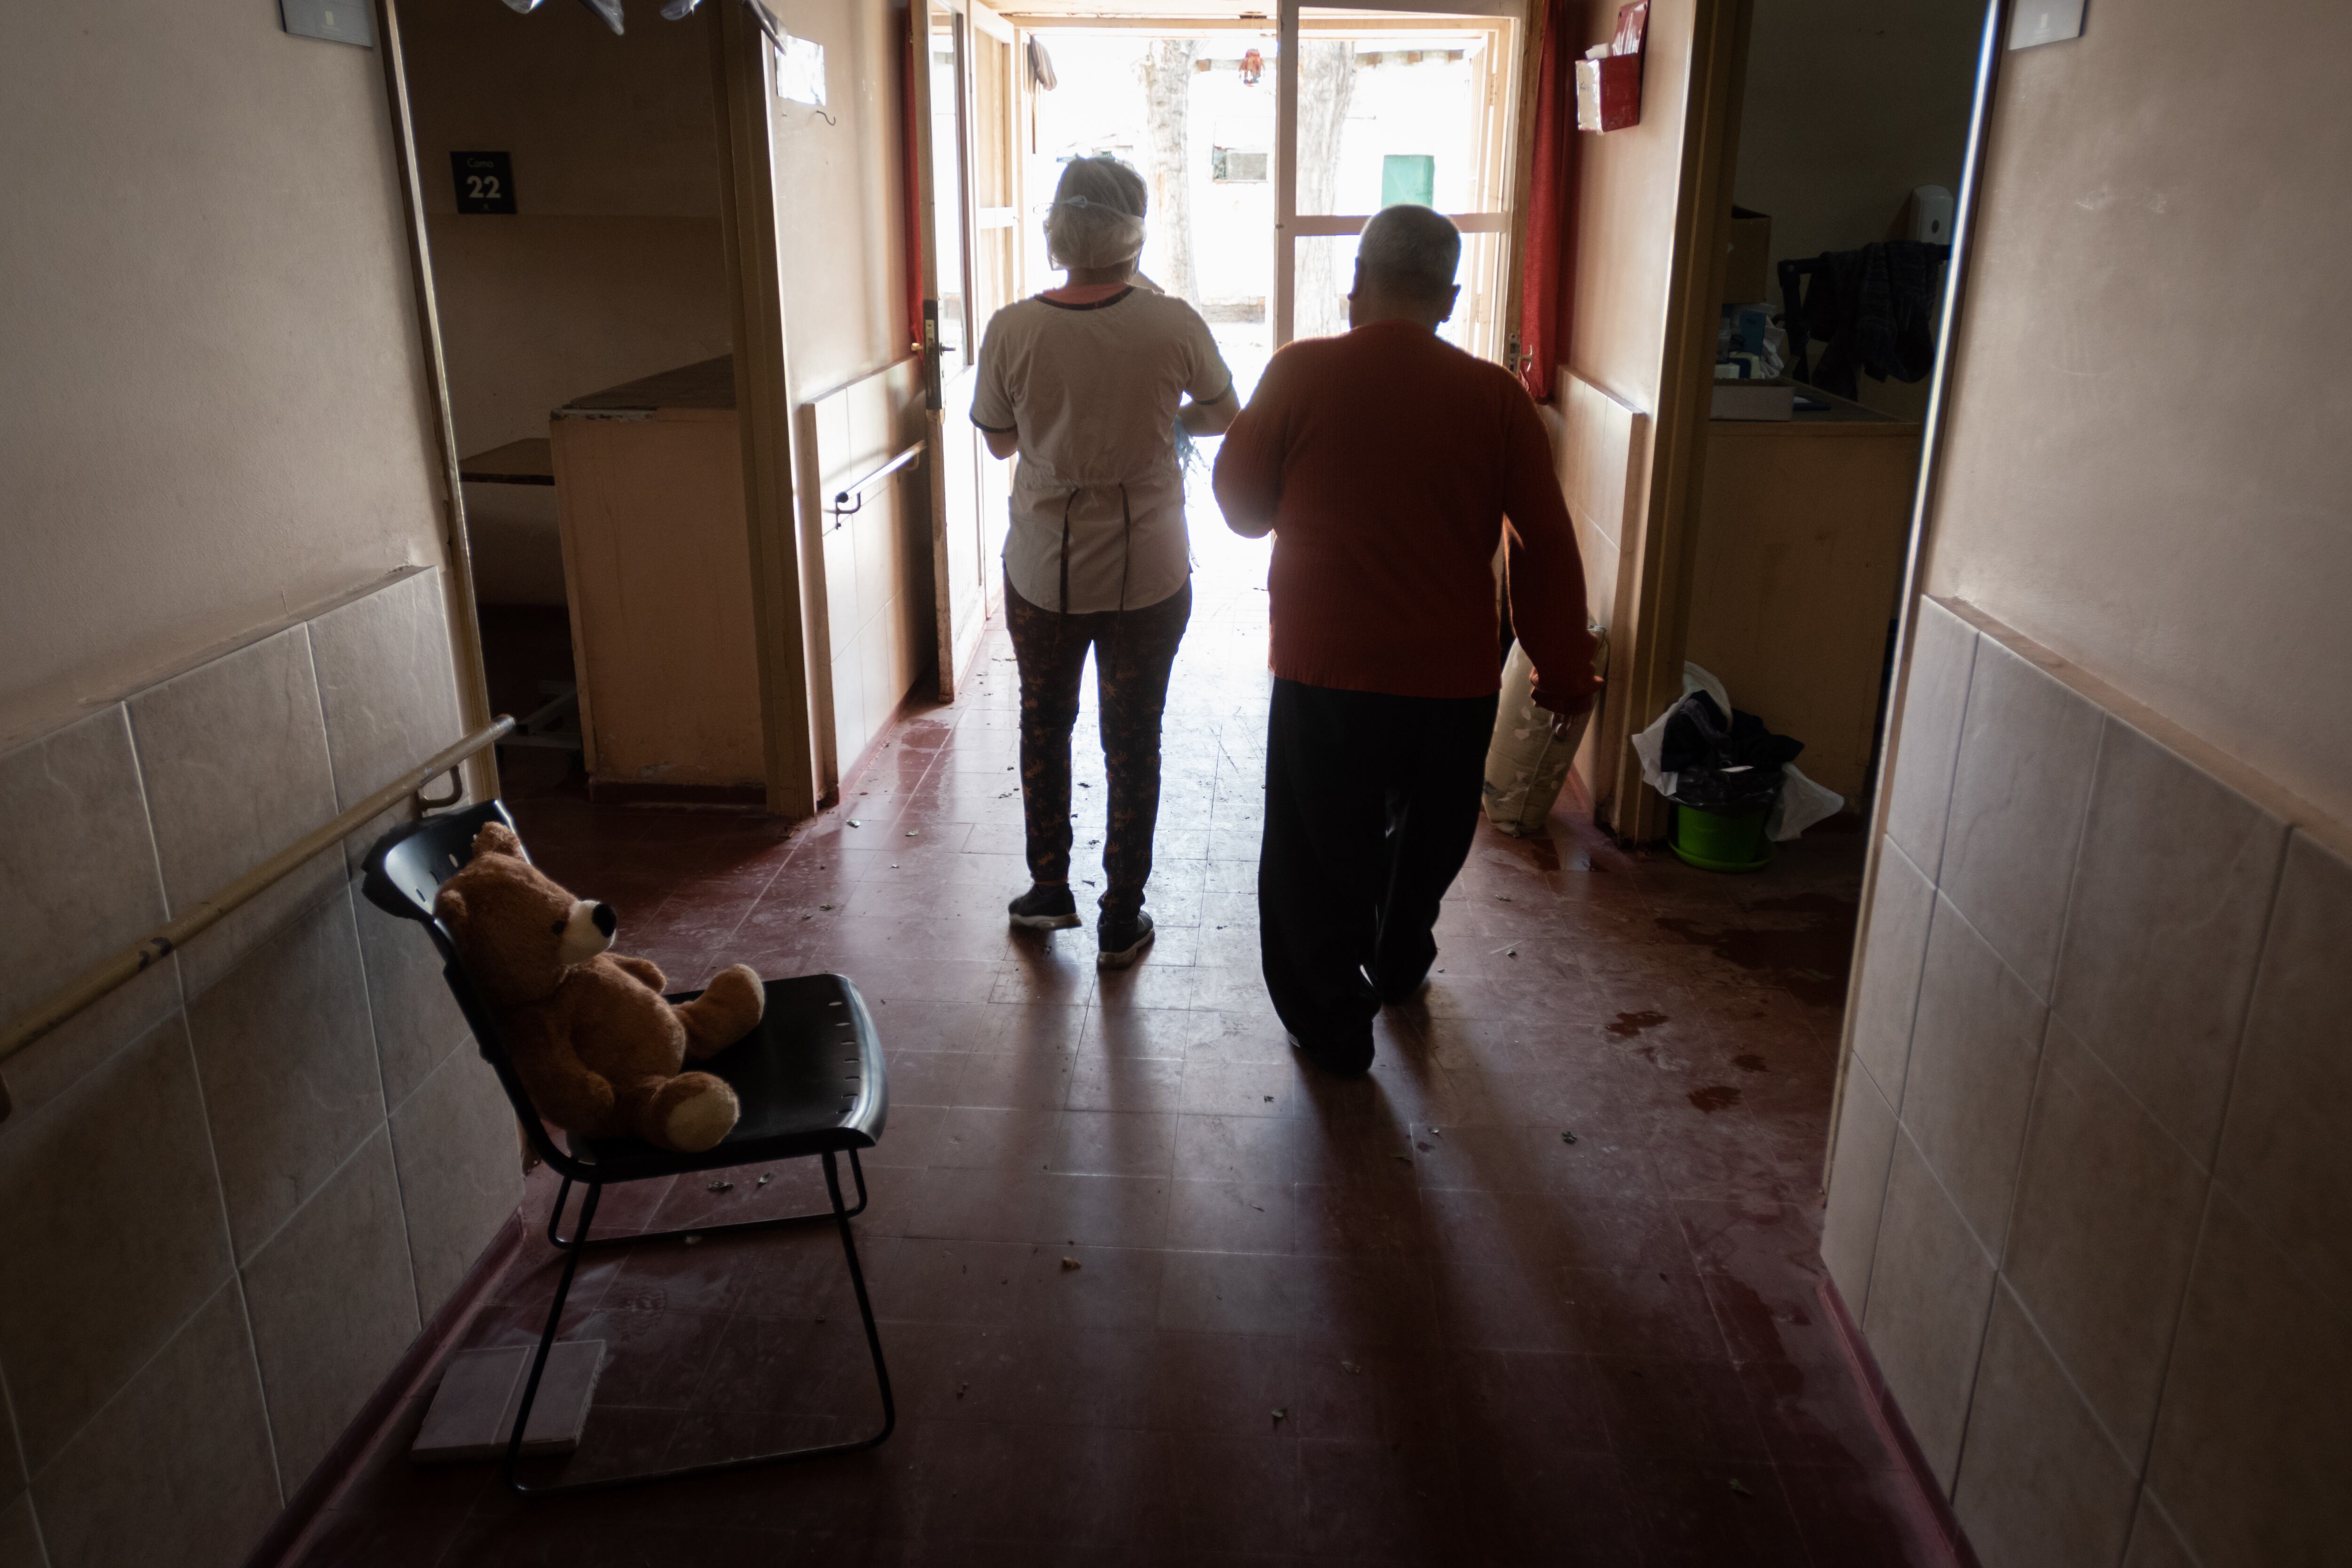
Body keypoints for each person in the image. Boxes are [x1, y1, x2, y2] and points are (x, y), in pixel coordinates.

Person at [1211, 205, 1599, 1074]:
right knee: (1426, 843)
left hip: (1326, 666)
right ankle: (1397, 958)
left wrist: (1300, 507)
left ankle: (1334, 1027)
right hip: (1449, 679)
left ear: (1356, 286)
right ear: (1451, 298)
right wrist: (1562, 666)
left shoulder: (1300, 373)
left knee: (1316, 850)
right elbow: (1544, 542)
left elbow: (1237, 506)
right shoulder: (1495, 399)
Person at [971, 157, 1240, 968]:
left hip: (1043, 570)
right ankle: (1123, 912)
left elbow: (998, 439)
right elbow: (1226, 412)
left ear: (1059, 226)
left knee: (1044, 725)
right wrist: (1161, 422)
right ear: (1136, 230)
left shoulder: (1014, 327)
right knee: (1135, 738)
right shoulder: (1172, 322)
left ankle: (1049, 890)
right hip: (1149, 573)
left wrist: (1063, 425)